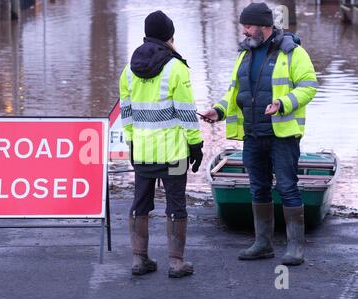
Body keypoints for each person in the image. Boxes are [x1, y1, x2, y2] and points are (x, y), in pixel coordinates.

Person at [201, 2, 318, 266]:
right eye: (243, 25)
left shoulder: (293, 52)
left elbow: (309, 86)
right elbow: (234, 94)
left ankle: (295, 248)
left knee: (287, 187)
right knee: (258, 188)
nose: (244, 30)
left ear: (265, 27)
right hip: (252, 134)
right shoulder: (244, 55)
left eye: (249, 25)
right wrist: (218, 111)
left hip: (283, 134)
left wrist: (283, 103)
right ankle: (263, 244)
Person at [119, 10, 203, 278]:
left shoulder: (129, 70)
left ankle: (138, 259)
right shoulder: (176, 68)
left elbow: (126, 112)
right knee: (176, 205)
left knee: (139, 204)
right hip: (174, 154)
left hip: (143, 152)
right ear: (170, 36)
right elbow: (186, 112)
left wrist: (132, 142)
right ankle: (177, 263)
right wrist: (195, 145)